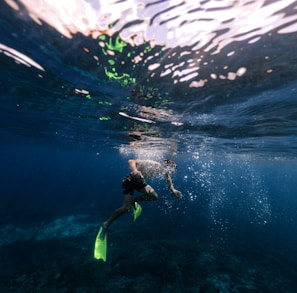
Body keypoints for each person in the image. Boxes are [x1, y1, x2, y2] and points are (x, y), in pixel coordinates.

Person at [99, 158, 182, 240]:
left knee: (154, 196)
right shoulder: (152, 163)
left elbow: (168, 179)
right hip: (129, 181)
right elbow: (131, 161)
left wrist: (173, 190)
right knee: (126, 208)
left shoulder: (163, 171)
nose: (170, 172)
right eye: (171, 170)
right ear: (166, 166)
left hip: (140, 182)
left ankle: (134, 200)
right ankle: (106, 224)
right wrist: (135, 170)